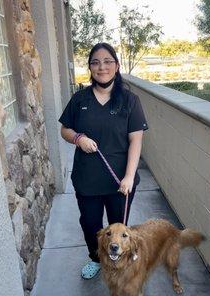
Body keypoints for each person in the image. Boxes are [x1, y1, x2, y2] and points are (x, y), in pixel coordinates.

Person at [59, 42, 148, 279]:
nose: (102, 67)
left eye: (107, 61)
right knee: (91, 225)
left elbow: (136, 141)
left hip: (120, 182)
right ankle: (96, 259)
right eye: (95, 62)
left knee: (118, 230)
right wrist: (78, 138)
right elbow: (65, 130)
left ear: (116, 66)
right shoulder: (80, 100)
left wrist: (129, 176)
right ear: (90, 67)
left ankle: (118, 262)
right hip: (87, 179)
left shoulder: (130, 101)